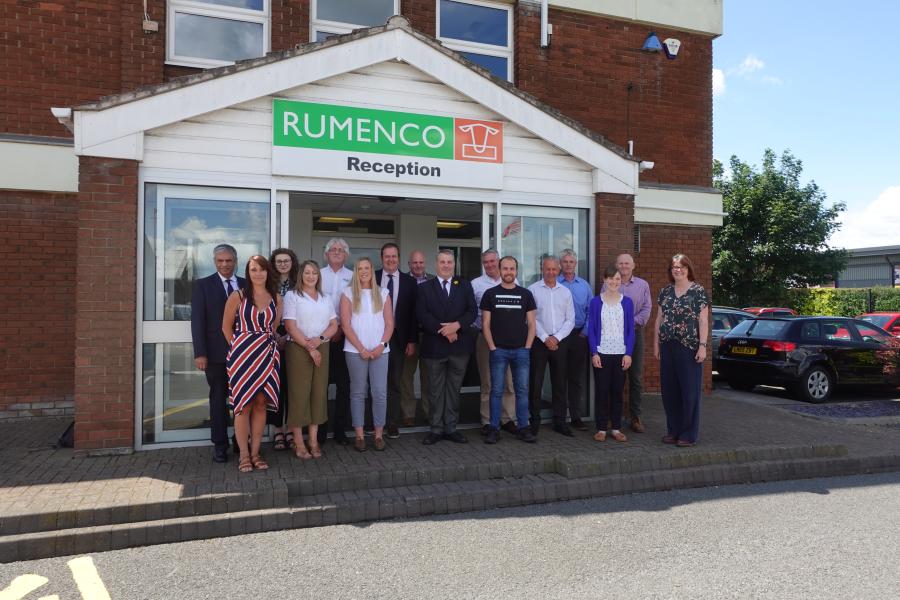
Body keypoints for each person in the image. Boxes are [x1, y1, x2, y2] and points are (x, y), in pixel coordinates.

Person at [223, 255, 283, 473]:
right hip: (242, 357)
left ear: (268, 272)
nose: (258, 273)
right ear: (248, 273)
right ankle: (244, 455)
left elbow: (273, 327)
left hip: (267, 355)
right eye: (253, 270)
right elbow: (225, 327)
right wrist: (238, 349)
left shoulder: (276, 298)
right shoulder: (237, 296)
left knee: (260, 403)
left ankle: (256, 453)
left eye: (262, 269)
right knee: (243, 406)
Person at [190, 244, 246, 463]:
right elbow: (197, 322)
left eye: (229, 261)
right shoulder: (203, 286)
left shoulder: (245, 284)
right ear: (215, 262)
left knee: (243, 401)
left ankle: (241, 443)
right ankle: (220, 445)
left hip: (243, 354)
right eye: (220, 261)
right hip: (214, 355)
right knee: (218, 400)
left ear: (235, 261)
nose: (225, 264)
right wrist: (200, 353)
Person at [416, 249, 476, 445]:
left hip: (459, 348)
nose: (446, 265)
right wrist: (445, 331)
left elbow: (472, 311)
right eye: (442, 262)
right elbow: (422, 315)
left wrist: (456, 327)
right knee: (435, 390)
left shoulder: (465, 285)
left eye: (450, 262)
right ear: (436, 264)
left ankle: (451, 428)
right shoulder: (425, 287)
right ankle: (435, 429)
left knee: (453, 389)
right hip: (435, 347)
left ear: (454, 264)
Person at [283, 260, 338, 460]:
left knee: (318, 393)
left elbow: (334, 325)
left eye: (314, 272)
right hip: (298, 347)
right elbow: (290, 326)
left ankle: (313, 440)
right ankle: (298, 442)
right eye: (307, 272)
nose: (311, 276)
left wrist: (320, 340)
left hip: (321, 345)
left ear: (318, 276)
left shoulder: (326, 298)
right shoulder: (292, 296)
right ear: (301, 275)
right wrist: (309, 347)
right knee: (299, 394)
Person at [653, 253, 710, 447]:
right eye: (674, 267)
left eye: (681, 266)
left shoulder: (698, 292)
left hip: (689, 347)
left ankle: (688, 433)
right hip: (667, 346)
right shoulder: (665, 292)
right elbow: (659, 319)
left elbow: (703, 321)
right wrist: (655, 344)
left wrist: (702, 346)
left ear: (688, 268)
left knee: (689, 393)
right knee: (669, 392)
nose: (678, 269)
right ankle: (673, 431)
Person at [480, 256, 537, 444]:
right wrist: (492, 347)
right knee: (496, 390)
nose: (508, 272)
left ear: (516, 271)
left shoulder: (526, 294)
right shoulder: (490, 294)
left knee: (521, 390)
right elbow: (485, 324)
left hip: (521, 351)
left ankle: (523, 427)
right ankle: (494, 428)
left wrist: (527, 347)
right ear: (500, 269)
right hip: (499, 351)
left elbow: (531, 324)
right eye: (505, 268)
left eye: (512, 269)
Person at [341, 257, 394, 452]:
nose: (363, 271)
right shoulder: (347, 294)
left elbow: (389, 323)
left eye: (367, 267)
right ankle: (360, 436)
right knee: (358, 393)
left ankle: (379, 435)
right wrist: (361, 348)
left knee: (379, 393)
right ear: (355, 271)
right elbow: (345, 325)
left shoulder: (383, 293)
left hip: (381, 351)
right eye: (360, 268)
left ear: (372, 270)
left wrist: (381, 345)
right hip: (355, 351)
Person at [471, 249, 519, 435]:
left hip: (509, 339)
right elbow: (472, 311)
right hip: (485, 337)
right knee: (488, 381)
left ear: (498, 262)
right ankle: (487, 420)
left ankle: (508, 418)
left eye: (493, 261)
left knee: (508, 381)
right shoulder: (476, 284)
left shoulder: (513, 281)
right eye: (486, 262)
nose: (490, 265)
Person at [528, 256, 576, 436]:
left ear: (558, 270)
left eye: (554, 269)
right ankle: (534, 421)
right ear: (542, 269)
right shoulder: (532, 290)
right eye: (547, 269)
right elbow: (530, 318)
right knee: (535, 383)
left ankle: (560, 422)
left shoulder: (565, 292)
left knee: (559, 384)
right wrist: (544, 337)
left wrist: (556, 338)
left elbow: (570, 320)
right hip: (538, 343)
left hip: (560, 343)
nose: (551, 272)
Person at [375, 243, 418, 438]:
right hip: (374, 338)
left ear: (399, 258)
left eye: (394, 256)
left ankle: (392, 422)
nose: (390, 260)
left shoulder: (410, 281)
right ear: (381, 258)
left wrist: (412, 340)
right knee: (374, 382)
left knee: (394, 381)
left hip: (399, 340)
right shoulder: (372, 278)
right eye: (387, 256)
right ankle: (375, 421)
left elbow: (413, 315)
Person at [588, 266, 635, 442]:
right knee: (602, 391)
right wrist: (594, 352)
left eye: (617, 279)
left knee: (617, 392)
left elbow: (630, 330)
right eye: (610, 279)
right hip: (602, 353)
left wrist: (629, 353)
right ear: (604, 280)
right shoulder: (595, 302)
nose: (614, 282)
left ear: (620, 281)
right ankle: (601, 428)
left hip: (621, 353)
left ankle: (615, 428)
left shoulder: (627, 302)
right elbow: (592, 329)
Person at [320, 238, 353, 445]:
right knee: (320, 386)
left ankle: (340, 430)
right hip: (320, 337)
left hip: (345, 338)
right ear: (326, 254)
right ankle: (320, 430)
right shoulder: (317, 275)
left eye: (341, 250)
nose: (337, 252)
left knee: (344, 386)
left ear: (347, 255)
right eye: (333, 249)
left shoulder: (352, 277)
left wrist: (341, 329)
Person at [615, 252, 652, 433]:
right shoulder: (610, 283)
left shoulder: (642, 285)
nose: (624, 266)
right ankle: (613, 416)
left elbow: (647, 309)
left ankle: (635, 417)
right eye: (621, 263)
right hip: (614, 336)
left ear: (633, 265)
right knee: (616, 377)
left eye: (627, 263)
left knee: (635, 378)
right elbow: (604, 306)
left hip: (636, 334)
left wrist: (630, 322)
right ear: (617, 265)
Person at [557, 249, 592, 431]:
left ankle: (576, 417)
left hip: (578, 336)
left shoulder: (584, 286)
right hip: (560, 337)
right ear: (560, 264)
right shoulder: (554, 283)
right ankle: (560, 418)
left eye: (571, 262)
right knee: (560, 378)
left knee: (576, 378)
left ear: (575, 264)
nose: (568, 264)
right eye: (565, 261)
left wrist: (584, 332)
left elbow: (590, 311)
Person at [268, 247, 298, 452]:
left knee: (293, 388)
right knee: (276, 388)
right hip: (272, 341)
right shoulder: (267, 284)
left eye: (286, 261)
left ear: (292, 262)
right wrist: (275, 336)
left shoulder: (300, 283)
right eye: (279, 261)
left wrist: (288, 336)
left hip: (295, 340)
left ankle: (291, 429)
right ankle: (278, 429)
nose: (283, 264)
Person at [400, 250, 433, 425]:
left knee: (428, 377)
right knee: (406, 376)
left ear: (425, 263)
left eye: (420, 262)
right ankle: (408, 414)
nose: (418, 266)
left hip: (429, 336)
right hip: (410, 337)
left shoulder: (434, 281)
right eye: (414, 263)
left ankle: (428, 412)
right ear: (409, 264)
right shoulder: (403, 281)